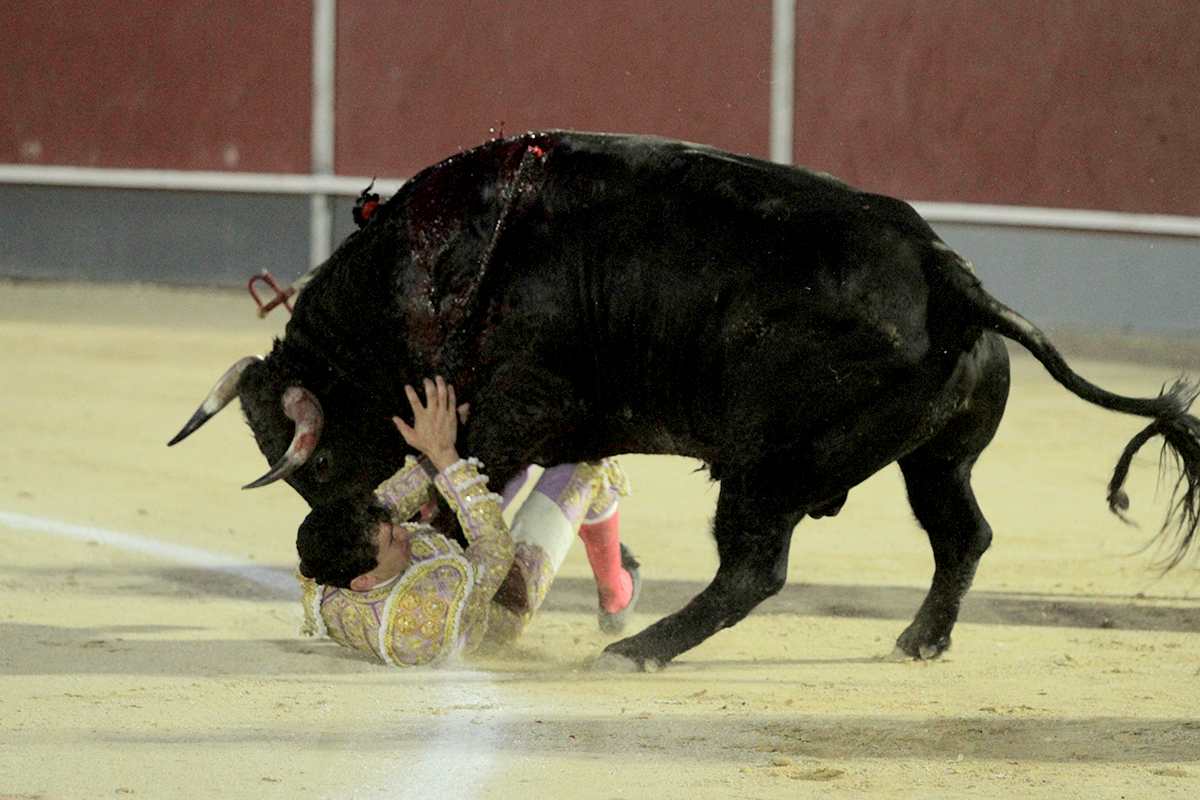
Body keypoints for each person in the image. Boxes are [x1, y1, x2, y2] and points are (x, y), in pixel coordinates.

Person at [295, 377, 640, 666]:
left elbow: (391, 501)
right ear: (364, 581)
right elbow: (495, 549)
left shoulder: (329, 557)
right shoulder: (428, 615)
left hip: (450, 559)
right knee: (582, 466)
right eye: (391, 540)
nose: (404, 531)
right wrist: (445, 455)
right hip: (499, 601)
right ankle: (616, 591)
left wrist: (440, 443)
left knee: (490, 457)